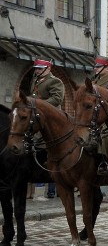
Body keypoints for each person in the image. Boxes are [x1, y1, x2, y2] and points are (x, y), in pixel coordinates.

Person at [28, 58, 64, 199]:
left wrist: (37, 104)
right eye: (36, 68)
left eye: (39, 68)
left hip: (51, 120)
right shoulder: (36, 80)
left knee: (52, 153)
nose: (36, 70)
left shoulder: (55, 81)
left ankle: (53, 189)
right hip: (38, 117)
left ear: (47, 69)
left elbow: (57, 99)